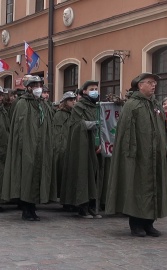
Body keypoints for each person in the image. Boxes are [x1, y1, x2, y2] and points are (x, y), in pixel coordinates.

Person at [105, 73, 167, 237]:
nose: (153, 85)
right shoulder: (132, 106)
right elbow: (126, 134)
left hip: (155, 155)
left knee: (154, 186)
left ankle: (149, 223)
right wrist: (132, 154)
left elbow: (164, 130)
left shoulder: (155, 104)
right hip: (139, 156)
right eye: (150, 82)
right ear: (139, 85)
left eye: (154, 83)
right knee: (138, 187)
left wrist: (164, 150)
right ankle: (136, 224)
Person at [2, 75, 56, 221]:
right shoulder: (22, 104)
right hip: (26, 147)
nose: (39, 88)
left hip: (40, 147)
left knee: (37, 176)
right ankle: (26, 208)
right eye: (36, 85)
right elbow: (19, 128)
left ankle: (32, 207)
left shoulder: (43, 104)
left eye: (40, 85)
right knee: (26, 176)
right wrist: (23, 145)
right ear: (29, 87)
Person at [60, 81, 103, 219]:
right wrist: (93, 124)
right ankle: (82, 207)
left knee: (95, 176)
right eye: (92, 89)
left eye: (96, 89)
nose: (95, 91)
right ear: (84, 91)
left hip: (97, 145)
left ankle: (92, 206)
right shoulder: (79, 106)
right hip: (83, 146)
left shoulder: (99, 106)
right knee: (84, 176)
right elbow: (77, 125)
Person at [52, 91, 76, 201]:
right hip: (61, 147)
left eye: (74, 100)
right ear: (65, 102)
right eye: (71, 100)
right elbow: (58, 133)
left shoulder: (74, 113)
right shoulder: (59, 114)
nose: (73, 102)